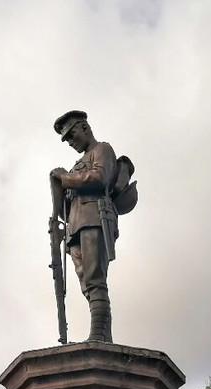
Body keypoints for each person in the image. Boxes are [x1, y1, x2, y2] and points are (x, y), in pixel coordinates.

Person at [50, 110, 119, 342]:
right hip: (75, 227)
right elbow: (66, 207)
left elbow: (100, 178)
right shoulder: (77, 164)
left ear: (84, 128)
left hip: (94, 219)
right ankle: (101, 334)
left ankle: (99, 334)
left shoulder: (102, 150)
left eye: (71, 136)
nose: (70, 142)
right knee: (86, 284)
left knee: (95, 278)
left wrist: (65, 178)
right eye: (67, 139)